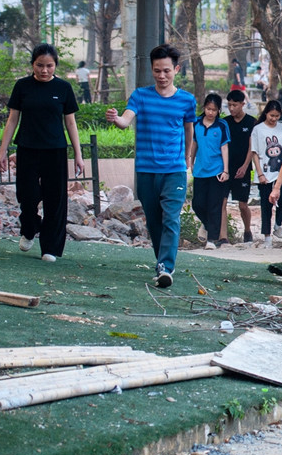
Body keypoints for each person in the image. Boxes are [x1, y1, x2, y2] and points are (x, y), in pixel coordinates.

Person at [106, 44, 197, 288]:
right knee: (154, 221)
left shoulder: (187, 100)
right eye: (157, 71)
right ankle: (160, 263)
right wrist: (117, 119)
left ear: (176, 69)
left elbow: (189, 129)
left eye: (166, 70)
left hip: (174, 170)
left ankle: (167, 267)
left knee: (171, 218)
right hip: (146, 170)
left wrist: (188, 158)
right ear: (152, 70)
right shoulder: (140, 96)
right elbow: (126, 120)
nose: (162, 76)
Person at [0, 43, 85, 263]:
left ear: (55, 65)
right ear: (32, 65)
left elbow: (71, 124)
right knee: (27, 196)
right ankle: (29, 228)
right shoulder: (22, 86)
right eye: (40, 65)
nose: (44, 70)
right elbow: (12, 120)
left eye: (49, 66)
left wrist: (78, 154)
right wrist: (2, 151)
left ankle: (50, 248)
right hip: (27, 148)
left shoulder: (64, 88)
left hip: (55, 150)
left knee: (55, 200)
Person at [189, 93, 231, 248]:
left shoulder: (221, 125)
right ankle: (207, 225)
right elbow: (194, 144)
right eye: (208, 109)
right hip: (200, 169)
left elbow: (224, 147)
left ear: (218, 110)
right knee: (197, 203)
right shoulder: (197, 123)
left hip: (217, 170)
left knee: (215, 205)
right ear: (204, 108)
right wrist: (191, 161)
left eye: (214, 110)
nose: (210, 112)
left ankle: (212, 240)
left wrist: (225, 170)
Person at [252, 100, 282, 245]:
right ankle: (267, 237)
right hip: (265, 172)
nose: (274, 118)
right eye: (271, 115)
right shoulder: (258, 129)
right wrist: (260, 173)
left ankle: (278, 223)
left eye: (276, 116)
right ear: (266, 113)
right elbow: (254, 152)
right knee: (266, 205)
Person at [221, 89, 257, 244]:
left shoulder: (251, 122)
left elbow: (252, 147)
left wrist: (245, 166)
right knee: (222, 202)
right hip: (226, 169)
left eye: (234, 105)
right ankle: (223, 237)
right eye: (229, 105)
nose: (231, 108)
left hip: (243, 168)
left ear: (243, 104)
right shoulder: (225, 122)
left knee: (242, 205)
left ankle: (247, 230)